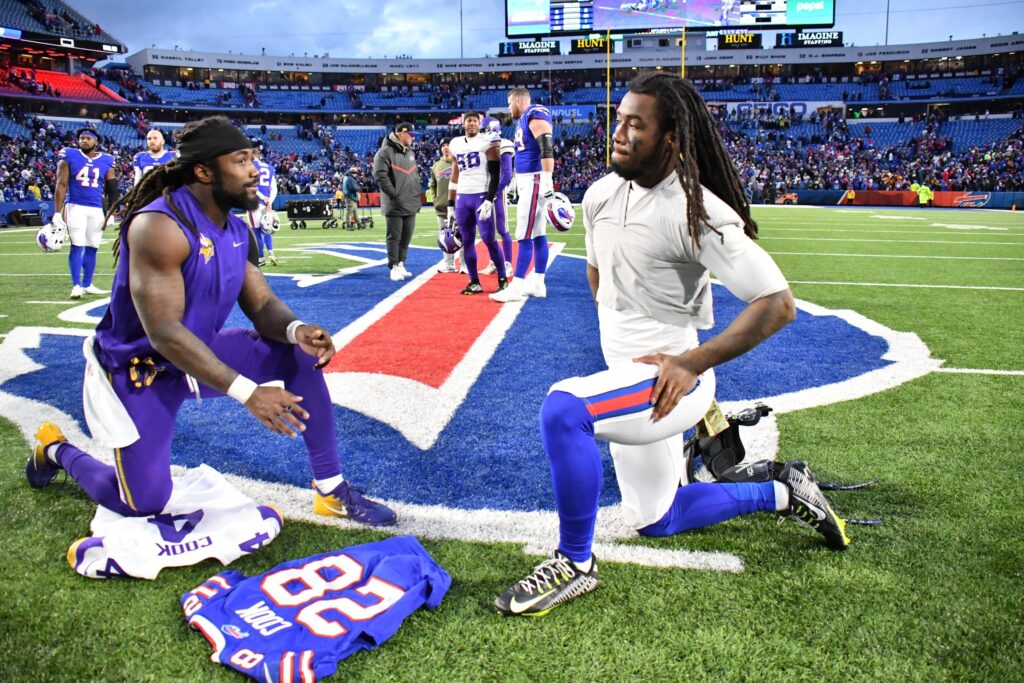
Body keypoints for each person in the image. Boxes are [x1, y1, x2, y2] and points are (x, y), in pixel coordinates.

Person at [494, 73, 849, 618]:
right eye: (618, 119)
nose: (618, 132)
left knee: (563, 410)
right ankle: (783, 488)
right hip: (630, 374)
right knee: (656, 518)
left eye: (636, 124)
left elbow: (777, 303)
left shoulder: (694, 209)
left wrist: (691, 361)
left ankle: (574, 563)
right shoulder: (599, 194)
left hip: (672, 379)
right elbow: (598, 278)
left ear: (671, 139)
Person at [26, 116, 396, 529]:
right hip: (139, 370)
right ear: (204, 171)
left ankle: (331, 489)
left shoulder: (236, 228)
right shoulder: (159, 226)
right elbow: (164, 332)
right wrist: (248, 392)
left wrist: (297, 330)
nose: (255, 169)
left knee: (298, 355)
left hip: (196, 351)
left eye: (253, 158)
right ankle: (56, 449)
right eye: (241, 160)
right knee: (142, 503)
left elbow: (260, 301)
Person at [490, 88, 554, 303]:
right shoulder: (523, 120)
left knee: (524, 234)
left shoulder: (534, 112)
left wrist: (547, 179)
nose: (509, 108)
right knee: (537, 233)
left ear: (518, 100)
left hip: (536, 179)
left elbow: (546, 146)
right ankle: (537, 283)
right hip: (529, 179)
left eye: (509, 104)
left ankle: (516, 287)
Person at [53, 127, 119, 300]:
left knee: (93, 246)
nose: (84, 140)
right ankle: (76, 285)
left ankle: (88, 284)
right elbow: (61, 184)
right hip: (75, 206)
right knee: (77, 244)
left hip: (97, 208)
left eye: (88, 138)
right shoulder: (69, 155)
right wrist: (57, 213)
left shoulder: (106, 160)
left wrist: (111, 212)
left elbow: (112, 188)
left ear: (95, 142)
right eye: (82, 138)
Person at [448, 111, 507, 295]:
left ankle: (503, 279)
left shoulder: (487, 141)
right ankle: (474, 281)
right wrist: (450, 204)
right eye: (469, 121)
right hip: (462, 198)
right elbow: (454, 174)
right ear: (464, 124)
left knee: (489, 239)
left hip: (480, 195)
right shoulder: (455, 143)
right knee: (467, 241)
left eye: (475, 121)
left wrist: (490, 199)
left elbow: (495, 173)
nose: (471, 124)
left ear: (479, 124)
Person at [373, 122, 421, 282]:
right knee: (394, 237)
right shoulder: (384, 152)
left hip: (410, 202)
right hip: (395, 203)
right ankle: (393, 267)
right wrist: (395, 195)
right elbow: (380, 176)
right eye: (411, 135)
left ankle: (401, 264)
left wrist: (415, 196)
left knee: (406, 237)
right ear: (402, 133)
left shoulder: (409, 152)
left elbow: (413, 177)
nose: (413, 138)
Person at [479, 117, 515, 279]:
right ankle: (494, 261)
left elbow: (506, 175)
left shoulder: (504, 144)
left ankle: (508, 264)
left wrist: (493, 194)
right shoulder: (482, 146)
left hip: (497, 194)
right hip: (483, 192)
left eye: (483, 130)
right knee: (488, 232)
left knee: (502, 228)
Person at [429, 141, 458, 273]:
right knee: (445, 237)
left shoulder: (458, 162)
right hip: (441, 207)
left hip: (458, 206)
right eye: (443, 145)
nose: (445, 147)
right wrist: (435, 199)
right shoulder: (436, 166)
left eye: (448, 145)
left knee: (461, 235)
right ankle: (449, 264)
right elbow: (432, 185)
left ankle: (464, 264)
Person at [248, 145, 279, 266]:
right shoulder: (270, 168)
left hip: (255, 202)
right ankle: (271, 252)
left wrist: (262, 197)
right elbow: (274, 189)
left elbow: (250, 186)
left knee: (256, 231)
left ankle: (261, 258)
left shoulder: (250, 167)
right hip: (267, 204)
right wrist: (269, 201)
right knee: (267, 229)